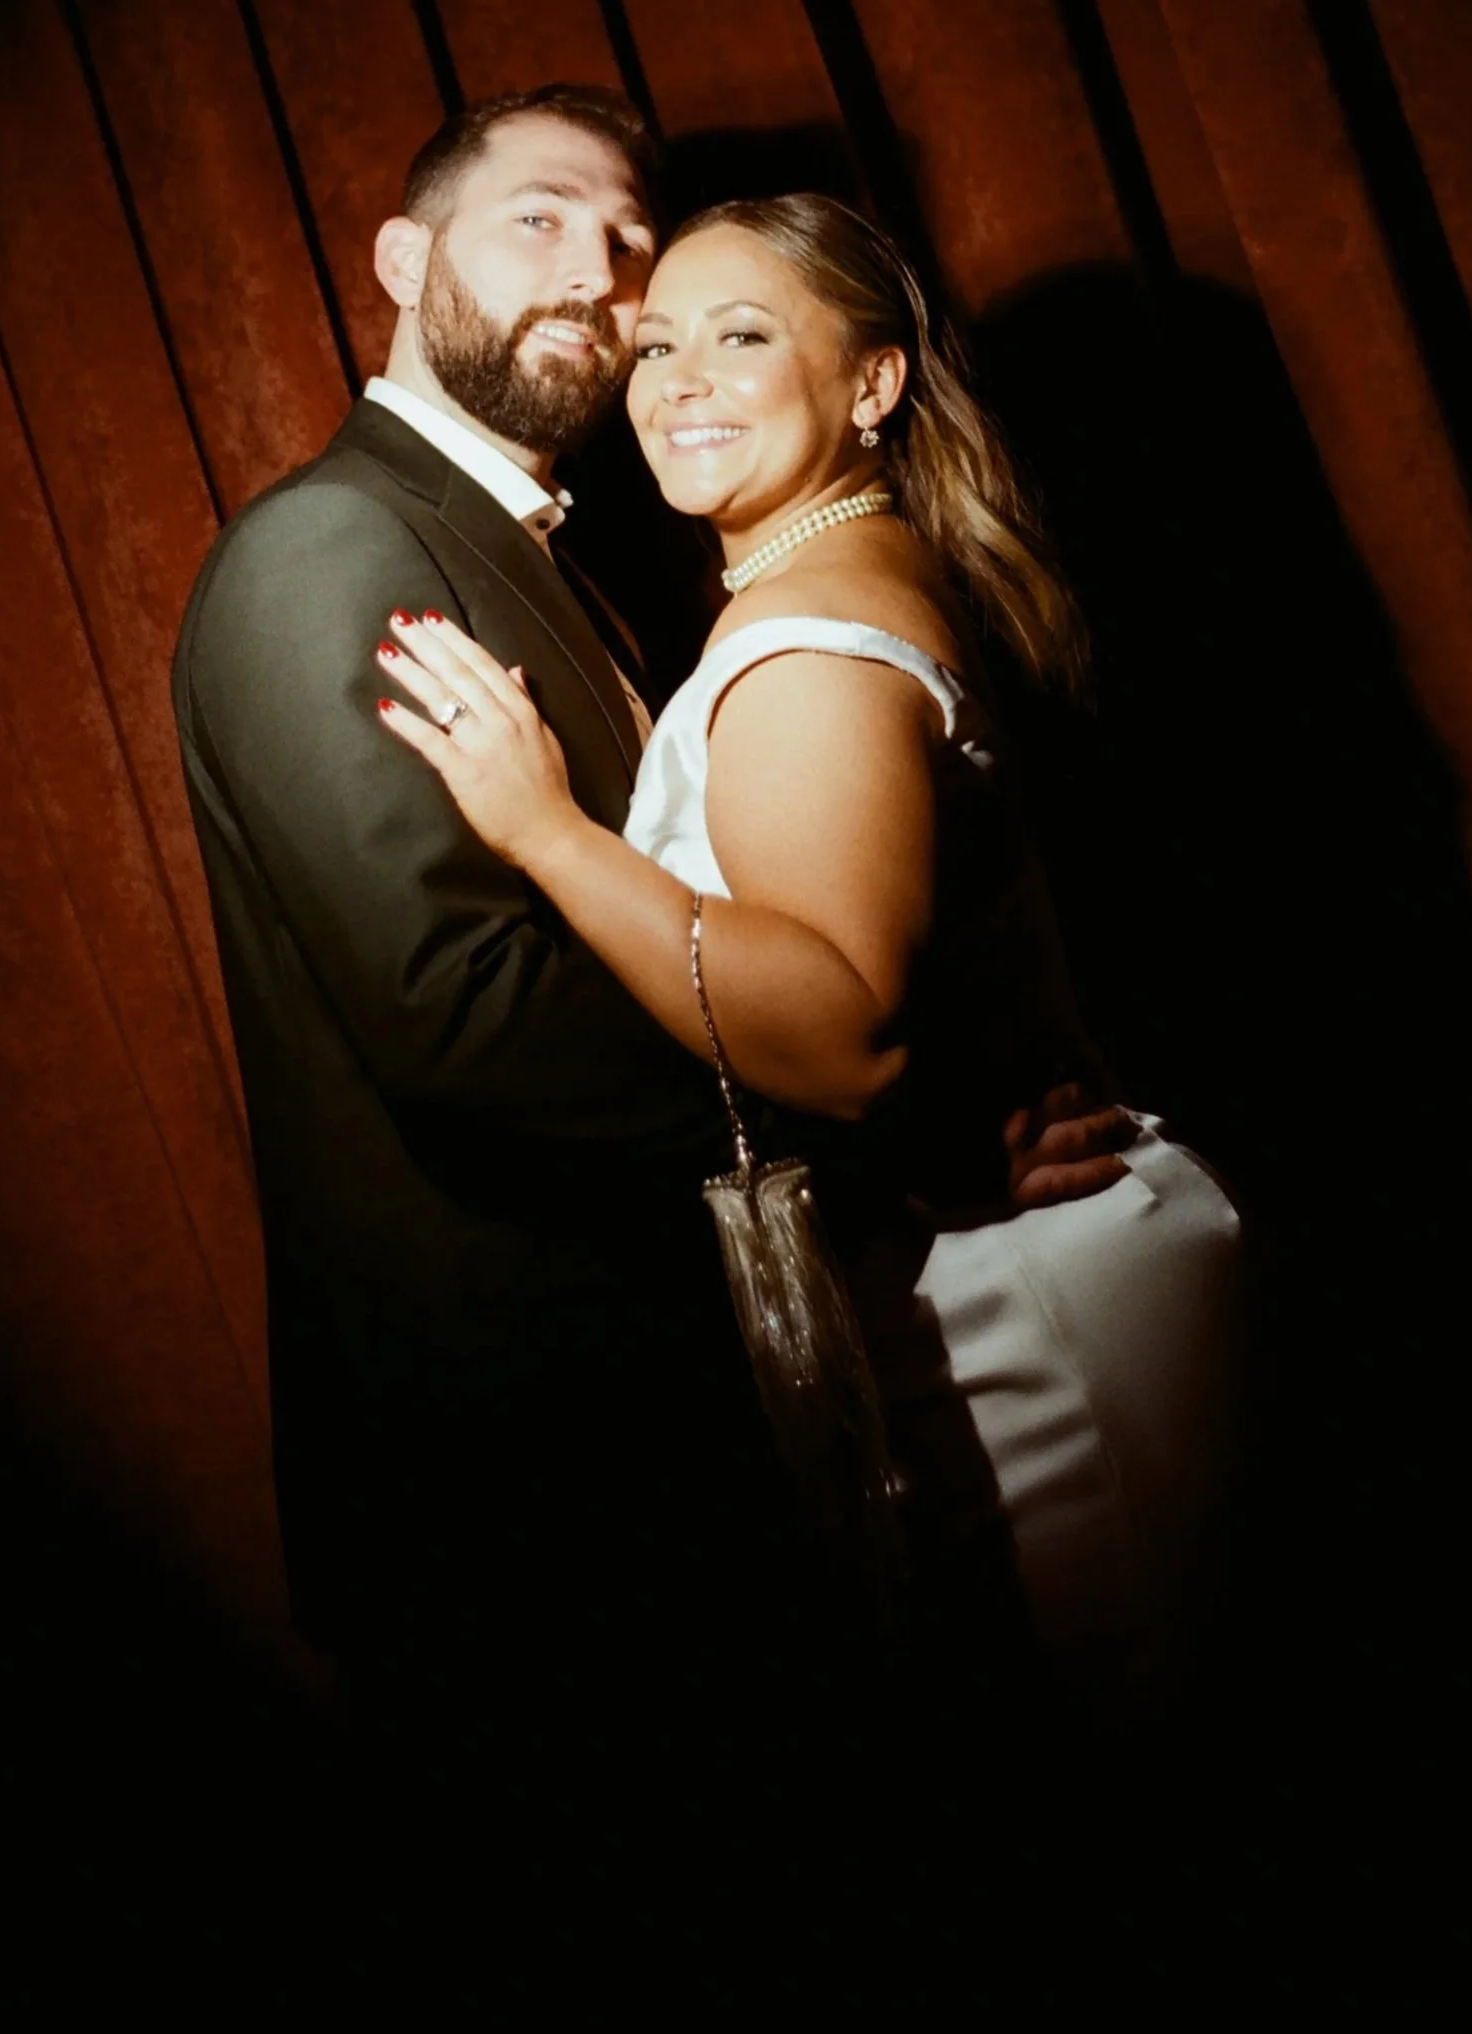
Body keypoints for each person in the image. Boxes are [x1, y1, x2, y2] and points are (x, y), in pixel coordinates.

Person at [172, 93, 1132, 1830]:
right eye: (539, 218)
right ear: (401, 258)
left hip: (668, 1436)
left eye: (628, 242)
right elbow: (469, 1023)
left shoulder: (561, 556)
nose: (597, 276)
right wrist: (892, 1134)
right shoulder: (333, 547)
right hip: (518, 1475)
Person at [377, 188, 1244, 1713]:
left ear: (870, 381)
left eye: (739, 336)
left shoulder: (803, 646)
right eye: (655, 345)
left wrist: (545, 832)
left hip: (1031, 1310)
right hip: (1009, 1269)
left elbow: (844, 1032)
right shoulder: (852, 565)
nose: (676, 383)